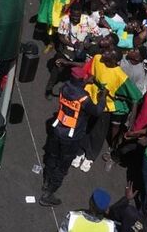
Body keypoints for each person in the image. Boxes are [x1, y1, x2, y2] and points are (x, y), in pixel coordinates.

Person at [39, 78, 105, 206]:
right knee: (63, 166)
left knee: (52, 158)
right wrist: (102, 97)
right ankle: (48, 194)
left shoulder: (64, 87)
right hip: (71, 137)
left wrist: (85, 82)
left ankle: (46, 182)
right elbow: (97, 111)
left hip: (58, 129)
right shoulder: (83, 98)